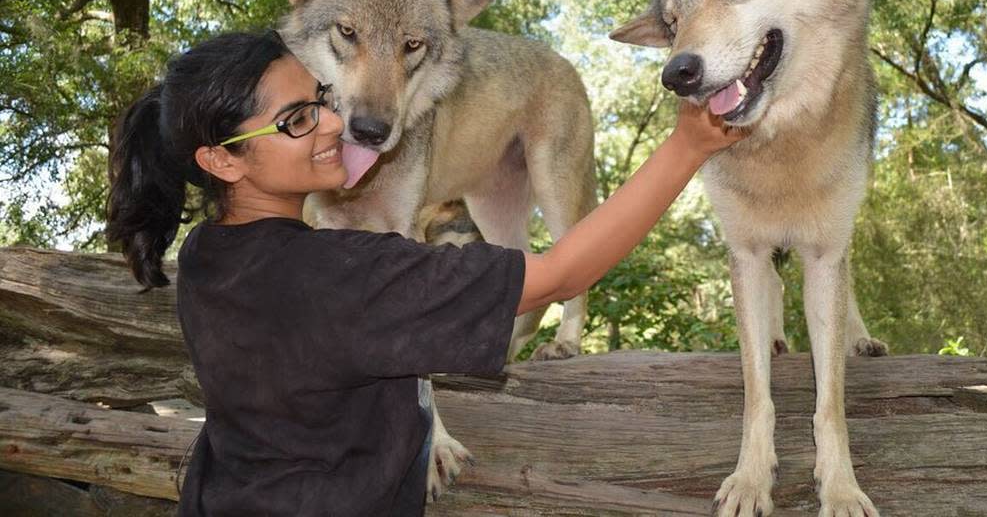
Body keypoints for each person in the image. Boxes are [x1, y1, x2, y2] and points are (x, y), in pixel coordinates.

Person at [107, 29, 746, 516]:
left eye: (320, 99)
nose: (334, 121)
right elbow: (558, 276)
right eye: (295, 120)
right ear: (221, 162)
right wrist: (687, 146)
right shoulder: (339, 277)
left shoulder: (208, 253)